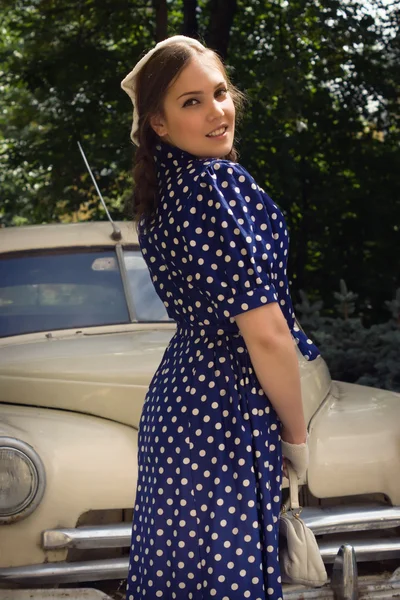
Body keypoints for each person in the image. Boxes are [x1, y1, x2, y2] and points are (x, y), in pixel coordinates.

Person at [121, 35, 320, 600]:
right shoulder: (215, 187)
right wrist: (297, 437)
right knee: (228, 580)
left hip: (179, 404)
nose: (217, 112)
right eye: (191, 102)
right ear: (158, 123)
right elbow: (267, 334)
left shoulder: (166, 192)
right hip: (225, 409)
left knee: (182, 575)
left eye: (221, 92)